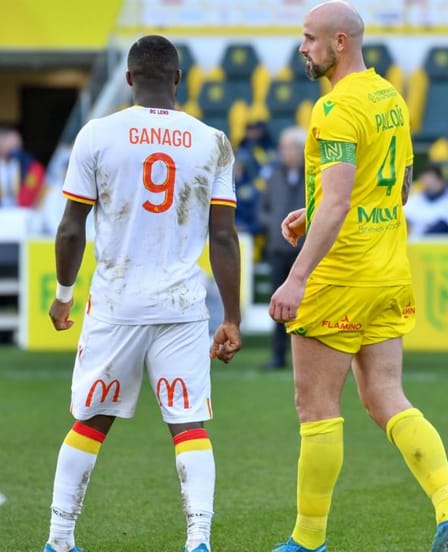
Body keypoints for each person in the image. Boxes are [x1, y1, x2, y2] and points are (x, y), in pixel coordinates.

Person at [268, 2, 448, 551]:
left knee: (316, 409)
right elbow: (399, 188)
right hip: (387, 270)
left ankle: (307, 540)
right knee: (385, 395)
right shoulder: (390, 97)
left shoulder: (335, 107)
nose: (302, 48)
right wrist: (312, 210)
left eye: (310, 38)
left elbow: (340, 202)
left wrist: (297, 277)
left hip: (341, 274)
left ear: (339, 42)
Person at [43, 35, 242, 552]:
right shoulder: (213, 141)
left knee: (91, 421)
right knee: (189, 425)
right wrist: (233, 318)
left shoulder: (97, 134)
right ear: (178, 79)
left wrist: (64, 294)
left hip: (117, 304)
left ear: (129, 78)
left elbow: (71, 227)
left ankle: (59, 539)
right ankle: (198, 540)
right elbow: (223, 237)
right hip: (181, 306)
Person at [258, 125, 307, 370]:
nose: (285, 152)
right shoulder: (274, 177)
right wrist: (276, 224)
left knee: (309, 306)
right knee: (278, 304)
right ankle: (278, 355)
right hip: (278, 250)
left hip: (305, 252)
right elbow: (262, 210)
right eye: (284, 148)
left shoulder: (314, 175)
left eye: (290, 148)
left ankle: (308, 358)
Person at [404, 164, 448, 238]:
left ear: (442, 181)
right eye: (426, 180)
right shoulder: (413, 201)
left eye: (433, 179)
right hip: (421, 243)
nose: (429, 184)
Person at [0, 127, 46, 208]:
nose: (15, 148)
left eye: (17, 144)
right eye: (10, 143)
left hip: (20, 210)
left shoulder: (29, 165)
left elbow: (32, 184)